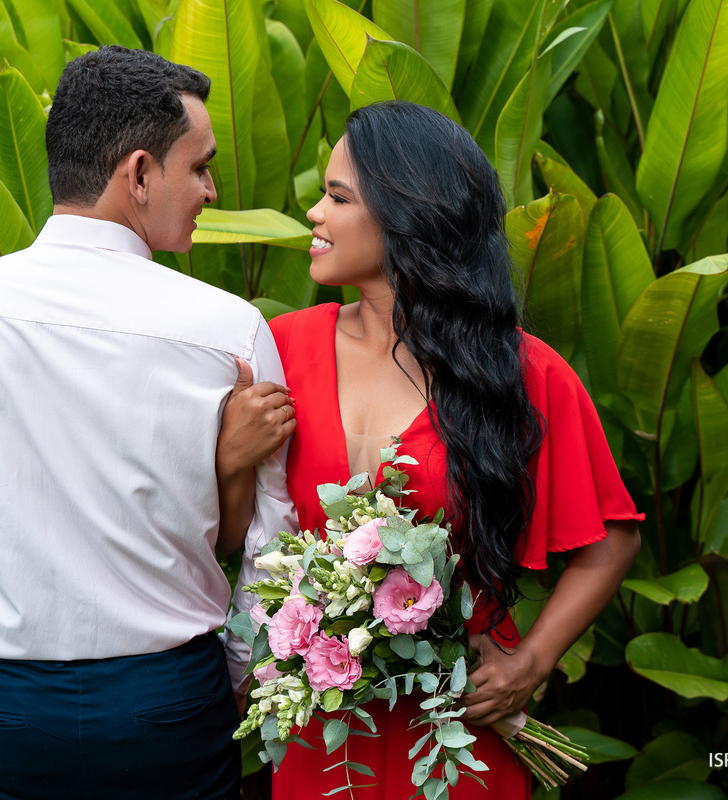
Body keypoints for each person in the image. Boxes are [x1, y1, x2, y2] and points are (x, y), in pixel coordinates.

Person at [0, 46, 296, 800]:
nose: (211, 189)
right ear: (137, 174)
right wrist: (237, 675)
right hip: (173, 700)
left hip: (4, 714)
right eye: (198, 167)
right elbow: (273, 541)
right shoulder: (229, 332)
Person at [223, 100, 643, 797]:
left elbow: (612, 541)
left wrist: (532, 661)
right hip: (324, 727)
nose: (315, 217)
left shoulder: (522, 373)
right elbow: (241, 533)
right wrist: (232, 457)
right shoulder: (282, 348)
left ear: (407, 215)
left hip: (461, 729)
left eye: (337, 197)